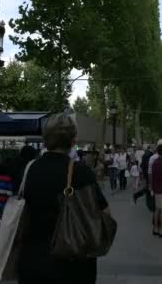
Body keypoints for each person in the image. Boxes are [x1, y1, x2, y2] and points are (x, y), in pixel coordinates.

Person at [18, 113, 110, 284]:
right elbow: (103, 211)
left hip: (32, 259)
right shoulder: (81, 171)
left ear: (45, 139)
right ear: (73, 140)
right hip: (71, 262)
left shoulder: (30, 168)